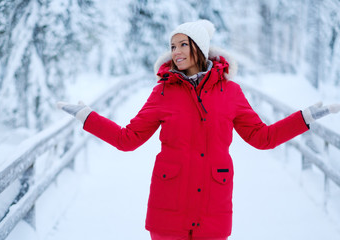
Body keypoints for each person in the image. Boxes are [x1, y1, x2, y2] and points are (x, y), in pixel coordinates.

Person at [57, 20, 340, 240]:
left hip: (212, 205)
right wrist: (87, 116)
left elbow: (262, 138)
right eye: (172, 46)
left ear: (200, 48)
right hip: (169, 206)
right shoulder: (163, 92)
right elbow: (126, 139)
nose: (176, 52)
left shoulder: (231, 92)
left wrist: (305, 117)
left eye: (182, 45)